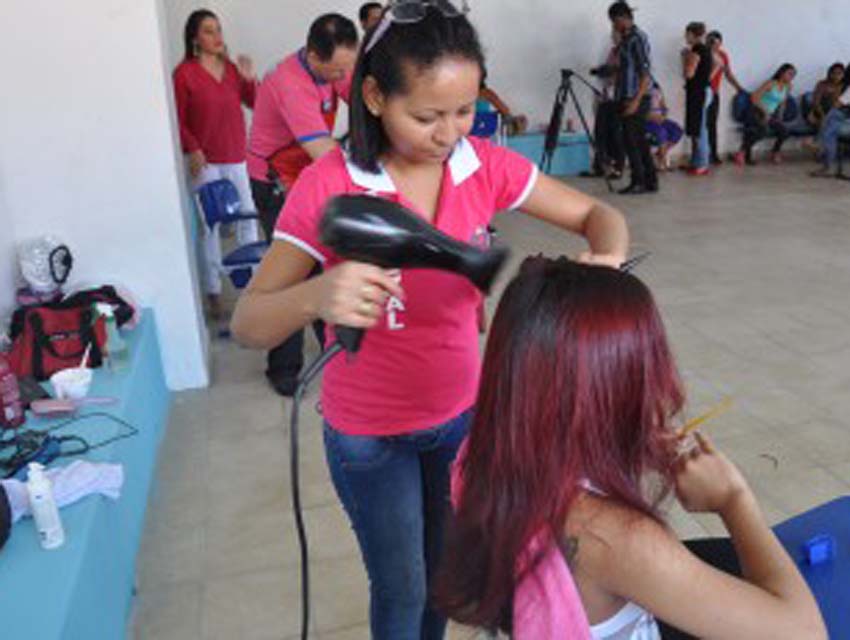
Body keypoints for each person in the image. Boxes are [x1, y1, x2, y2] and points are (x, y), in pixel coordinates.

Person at [230, 5, 629, 639]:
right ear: (374, 96)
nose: (449, 133)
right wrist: (318, 296)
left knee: (444, 576)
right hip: (368, 436)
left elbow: (598, 217)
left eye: (464, 111)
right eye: (426, 116)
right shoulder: (329, 185)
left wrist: (606, 256)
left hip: (461, 420)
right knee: (401, 585)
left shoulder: (483, 165)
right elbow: (250, 322)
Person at [434, 257, 828, 640]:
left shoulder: (484, 450)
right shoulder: (618, 538)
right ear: (612, 391)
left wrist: (628, 442)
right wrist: (734, 500)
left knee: (726, 558)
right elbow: (805, 632)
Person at [245, 14, 358, 396]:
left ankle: (332, 344)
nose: (343, 74)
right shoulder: (290, 84)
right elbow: (322, 152)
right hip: (274, 181)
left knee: (319, 260)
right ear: (313, 55)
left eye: (348, 66)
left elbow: (359, 99)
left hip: (303, 175)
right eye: (338, 68)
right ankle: (283, 368)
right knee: (287, 272)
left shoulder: (330, 68)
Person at [173, 9, 260, 320]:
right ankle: (213, 290)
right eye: (209, 31)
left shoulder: (232, 69)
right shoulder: (184, 73)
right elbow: (178, 121)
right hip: (206, 162)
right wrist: (193, 148)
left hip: (236, 155)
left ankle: (252, 286)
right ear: (195, 37)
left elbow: (255, 102)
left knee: (247, 220)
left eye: (218, 29)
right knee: (210, 228)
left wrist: (250, 79)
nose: (217, 36)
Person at [608, 2, 658, 194]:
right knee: (639, 141)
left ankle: (639, 182)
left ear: (622, 18)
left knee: (632, 141)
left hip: (636, 97)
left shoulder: (638, 38)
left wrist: (636, 101)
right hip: (626, 95)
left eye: (614, 21)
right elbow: (625, 68)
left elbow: (645, 73)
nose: (613, 25)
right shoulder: (625, 39)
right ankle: (650, 180)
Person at [734, 63, 796, 167]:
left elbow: (782, 103)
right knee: (762, 131)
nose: (791, 77)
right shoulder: (770, 83)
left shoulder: (788, 86)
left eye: (793, 75)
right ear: (781, 73)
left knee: (784, 131)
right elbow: (754, 98)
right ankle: (742, 151)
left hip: (770, 114)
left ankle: (775, 152)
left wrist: (780, 117)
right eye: (789, 74)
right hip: (756, 111)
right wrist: (765, 112)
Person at [588, 26, 625, 179]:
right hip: (605, 95)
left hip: (618, 97)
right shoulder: (613, 51)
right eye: (612, 34)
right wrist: (600, 71)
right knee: (600, 132)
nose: (613, 37)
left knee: (615, 134)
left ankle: (618, 167)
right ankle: (600, 166)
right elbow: (609, 69)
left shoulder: (626, 51)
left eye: (615, 34)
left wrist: (606, 71)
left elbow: (620, 71)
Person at [706, 31, 744, 165]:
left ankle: (713, 154)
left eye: (717, 43)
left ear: (720, 43)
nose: (714, 46)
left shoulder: (722, 55)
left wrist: (739, 87)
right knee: (700, 126)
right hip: (702, 93)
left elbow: (728, 74)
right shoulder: (703, 54)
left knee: (711, 124)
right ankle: (700, 156)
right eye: (711, 42)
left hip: (714, 93)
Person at [682, 22, 713, 176]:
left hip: (699, 93)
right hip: (703, 91)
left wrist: (685, 58)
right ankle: (697, 162)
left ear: (693, 34)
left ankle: (702, 164)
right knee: (697, 127)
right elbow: (717, 65)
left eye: (687, 34)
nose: (685, 37)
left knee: (700, 129)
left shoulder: (696, 50)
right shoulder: (705, 49)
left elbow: (688, 74)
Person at [646, 83, 684, 171]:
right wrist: (652, 116)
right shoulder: (638, 90)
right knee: (661, 132)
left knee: (677, 130)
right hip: (647, 120)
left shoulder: (656, 88)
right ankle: (662, 162)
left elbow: (663, 105)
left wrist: (664, 114)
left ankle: (661, 153)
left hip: (660, 119)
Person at [809, 62, 845, 130]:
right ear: (830, 73)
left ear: (843, 74)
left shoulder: (845, 86)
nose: (836, 76)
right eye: (834, 73)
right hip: (821, 111)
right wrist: (823, 117)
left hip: (838, 112)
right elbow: (816, 103)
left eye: (839, 73)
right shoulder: (822, 84)